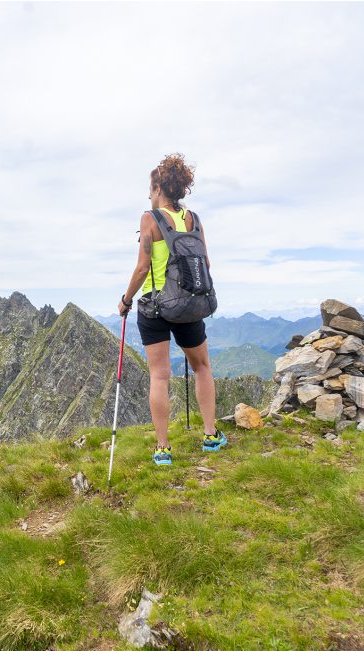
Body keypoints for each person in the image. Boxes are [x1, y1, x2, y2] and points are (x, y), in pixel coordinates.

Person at [117, 153, 227, 465]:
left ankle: (163, 449)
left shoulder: (149, 219)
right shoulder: (194, 219)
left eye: (150, 190)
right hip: (189, 303)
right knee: (202, 367)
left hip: (154, 306)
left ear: (158, 189)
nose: (148, 196)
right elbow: (204, 262)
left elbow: (142, 269)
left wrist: (125, 301)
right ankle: (210, 436)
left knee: (160, 376)